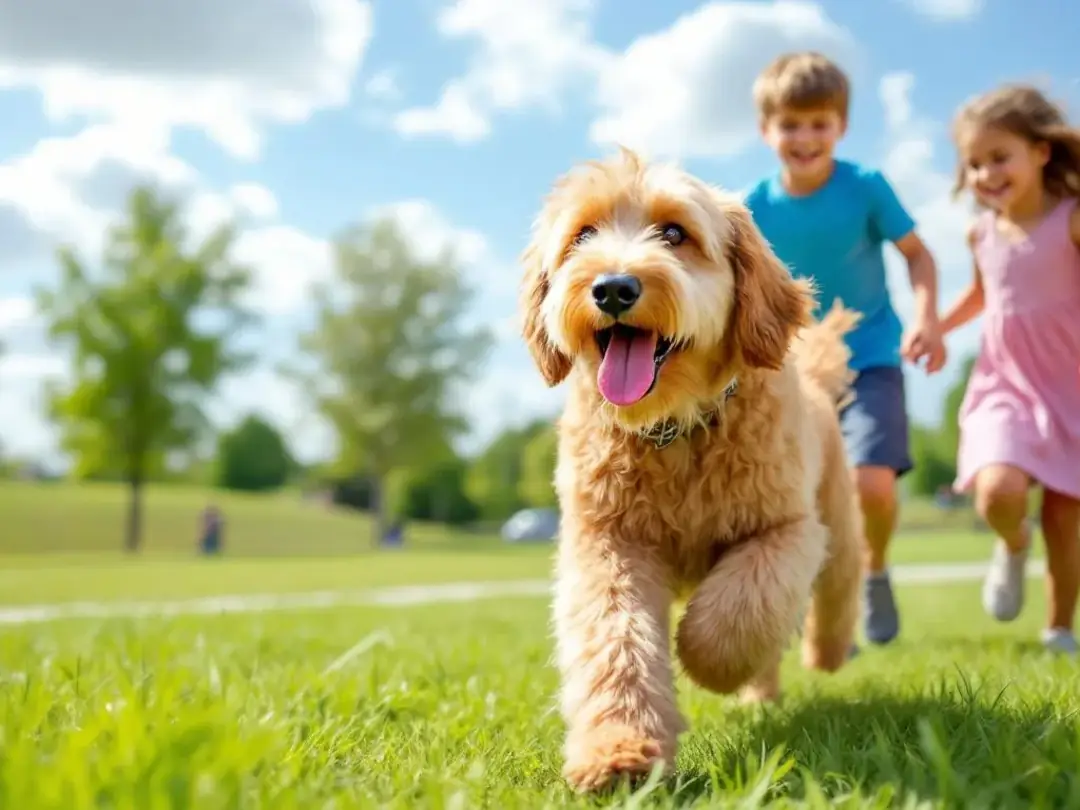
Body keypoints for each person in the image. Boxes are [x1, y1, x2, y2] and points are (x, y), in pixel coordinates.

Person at [744, 52, 946, 646]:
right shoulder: (753, 208)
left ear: (841, 127)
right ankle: (830, 602)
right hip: (796, 372)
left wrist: (928, 317)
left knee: (872, 485)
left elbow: (918, 254)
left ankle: (873, 569)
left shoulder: (865, 188)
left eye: (819, 123)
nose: (804, 138)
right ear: (766, 131)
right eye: (790, 124)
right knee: (797, 496)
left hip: (872, 356)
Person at [939, 83, 1080, 655]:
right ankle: (1013, 544)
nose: (986, 174)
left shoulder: (1070, 220)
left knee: (1066, 518)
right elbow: (981, 293)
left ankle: (1058, 630)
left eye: (1000, 158)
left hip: (1071, 382)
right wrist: (936, 328)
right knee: (997, 490)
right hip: (1005, 383)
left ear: (1041, 153)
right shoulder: (981, 232)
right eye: (974, 163)